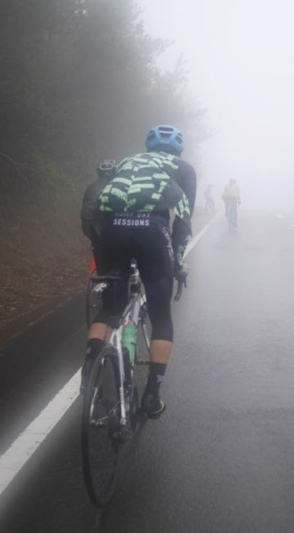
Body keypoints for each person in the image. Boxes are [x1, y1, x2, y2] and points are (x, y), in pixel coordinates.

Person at [80, 125, 196, 418]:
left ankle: (89, 373)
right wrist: (178, 263)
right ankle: (152, 396)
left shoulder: (127, 163)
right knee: (161, 317)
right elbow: (183, 219)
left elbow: (95, 202)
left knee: (109, 308)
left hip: (112, 232)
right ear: (179, 151)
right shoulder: (182, 167)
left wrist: (99, 243)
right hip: (153, 233)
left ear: (148, 148)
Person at [80, 160, 117, 275]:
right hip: (105, 224)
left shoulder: (91, 187)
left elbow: (85, 209)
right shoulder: (116, 186)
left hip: (88, 225)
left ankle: (98, 274)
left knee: (97, 246)